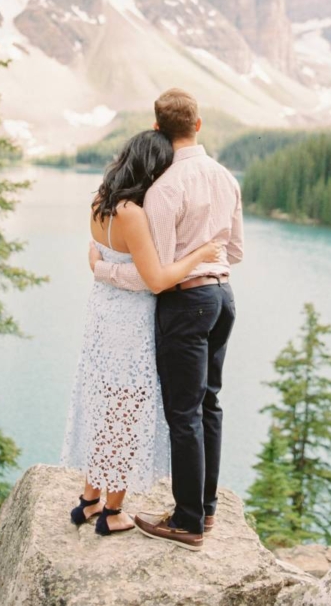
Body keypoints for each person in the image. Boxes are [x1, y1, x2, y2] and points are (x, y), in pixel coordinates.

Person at [90, 88, 243, 552]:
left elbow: (149, 274)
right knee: (209, 404)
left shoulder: (164, 186)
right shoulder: (225, 177)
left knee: (183, 414)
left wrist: (103, 268)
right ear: (198, 125)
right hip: (223, 297)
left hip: (186, 302)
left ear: (158, 128)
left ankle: (187, 521)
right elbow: (233, 251)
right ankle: (207, 509)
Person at [61, 129, 225, 535]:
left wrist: (100, 269)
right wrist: (200, 255)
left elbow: (113, 264)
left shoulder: (100, 201)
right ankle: (112, 513)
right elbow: (155, 279)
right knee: (125, 411)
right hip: (129, 326)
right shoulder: (132, 212)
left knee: (106, 406)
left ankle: (88, 500)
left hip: (101, 317)